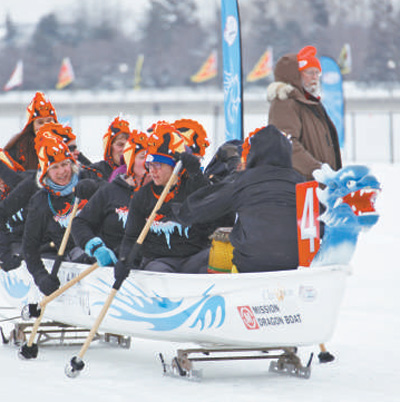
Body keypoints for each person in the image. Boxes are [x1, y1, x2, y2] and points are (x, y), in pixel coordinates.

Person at [165, 125, 305, 273]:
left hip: (252, 265)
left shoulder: (244, 182)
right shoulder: (300, 182)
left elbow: (206, 206)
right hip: (294, 265)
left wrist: (175, 211)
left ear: (254, 154)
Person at [114, 122, 212, 281]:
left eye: (158, 165)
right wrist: (124, 259)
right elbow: (131, 237)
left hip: (193, 257)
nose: (152, 170)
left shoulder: (192, 187)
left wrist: (197, 174)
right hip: (159, 261)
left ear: (174, 166)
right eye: (149, 165)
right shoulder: (142, 196)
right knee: (161, 274)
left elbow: (211, 206)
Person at [22, 126, 93, 295]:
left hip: (100, 247)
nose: (62, 172)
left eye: (65, 164)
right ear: (46, 171)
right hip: (73, 255)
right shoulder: (40, 201)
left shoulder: (87, 180)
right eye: (55, 167)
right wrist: (41, 277)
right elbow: (29, 248)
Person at [71, 130, 150, 266]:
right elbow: (80, 223)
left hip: (147, 265)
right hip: (110, 264)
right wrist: (96, 248)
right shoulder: (111, 191)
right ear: (130, 161)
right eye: (143, 157)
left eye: (152, 158)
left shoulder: (161, 193)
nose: (149, 163)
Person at [267, 45, 342, 180]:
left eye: (317, 72)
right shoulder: (285, 103)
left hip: (318, 186)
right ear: (294, 75)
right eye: (309, 72)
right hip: (301, 188)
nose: (315, 77)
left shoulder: (310, 104)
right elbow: (286, 144)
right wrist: (315, 169)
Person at [4, 92, 58, 170]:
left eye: (49, 121)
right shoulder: (18, 149)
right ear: (31, 126)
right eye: (40, 122)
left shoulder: (66, 143)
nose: (45, 126)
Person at [85, 116, 131, 182]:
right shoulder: (95, 172)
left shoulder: (136, 172)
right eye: (120, 145)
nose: (124, 150)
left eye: (127, 145)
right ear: (109, 148)